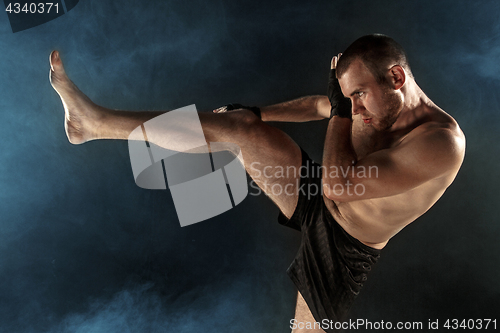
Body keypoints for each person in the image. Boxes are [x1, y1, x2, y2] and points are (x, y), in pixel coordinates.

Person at [49, 34, 466, 333]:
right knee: (238, 128)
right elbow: (318, 105)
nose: (355, 107)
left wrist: (341, 112)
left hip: (346, 247)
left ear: (396, 77)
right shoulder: (365, 101)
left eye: (359, 96)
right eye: (349, 97)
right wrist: (255, 113)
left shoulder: (441, 143)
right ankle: (94, 124)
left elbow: (342, 184)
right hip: (313, 194)